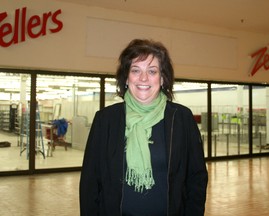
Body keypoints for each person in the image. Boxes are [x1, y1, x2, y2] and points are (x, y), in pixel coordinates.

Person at [79, 39, 208, 216]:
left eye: (152, 71)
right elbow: (90, 182)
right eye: (135, 70)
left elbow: (196, 178)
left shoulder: (182, 118)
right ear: (126, 78)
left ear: (162, 79)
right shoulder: (106, 119)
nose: (143, 78)